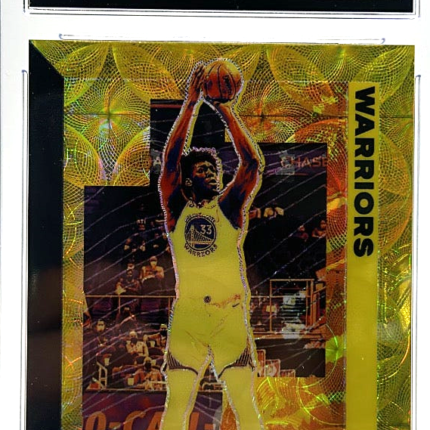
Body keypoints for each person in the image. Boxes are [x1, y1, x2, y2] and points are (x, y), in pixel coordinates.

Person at [158, 64, 265, 430]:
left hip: (228, 314)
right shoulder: (177, 208)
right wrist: (190, 105)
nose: (212, 173)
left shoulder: (229, 207)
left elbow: (251, 163)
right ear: (188, 181)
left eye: (214, 169)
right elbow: (170, 162)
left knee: (244, 404)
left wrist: (225, 109)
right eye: (203, 170)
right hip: (188, 315)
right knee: (177, 405)